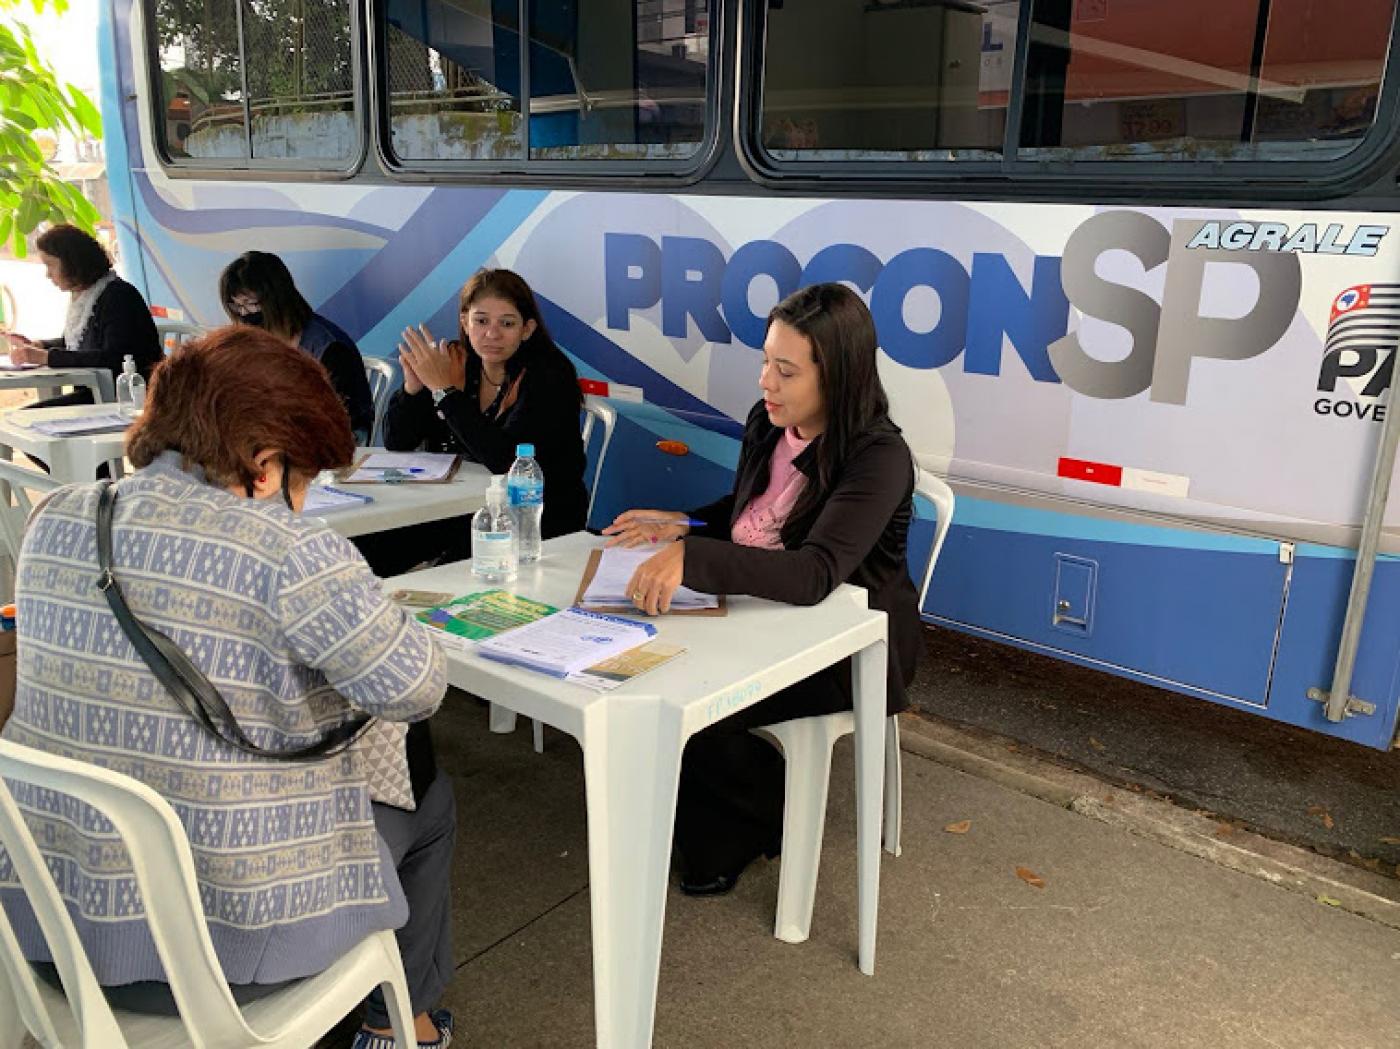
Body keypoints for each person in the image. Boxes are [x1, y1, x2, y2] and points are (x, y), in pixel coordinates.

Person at [0, 328, 456, 1048]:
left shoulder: (54, 517)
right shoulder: (289, 549)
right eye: (307, 480)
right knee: (426, 795)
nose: (303, 502)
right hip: (228, 956)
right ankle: (396, 1023)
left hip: (42, 934)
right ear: (266, 464)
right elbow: (418, 686)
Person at [603, 283, 920, 895]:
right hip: (760, 617)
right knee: (642, 674)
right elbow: (752, 513)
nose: (765, 383)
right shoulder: (769, 422)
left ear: (840, 376)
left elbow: (815, 574)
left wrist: (693, 558)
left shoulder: (878, 458)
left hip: (843, 648)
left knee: (686, 703)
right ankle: (719, 800)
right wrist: (684, 523)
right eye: (765, 362)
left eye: (785, 370)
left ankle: (757, 815)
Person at [362, 268, 588, 575]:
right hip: (457, 510)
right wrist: (415, 388)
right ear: (465, 322)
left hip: (534, 521)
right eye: (481, 321)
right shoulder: (455, 361)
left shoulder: (549, 375)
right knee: (363, 552)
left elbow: (506, 460)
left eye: (506, 324)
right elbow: (397, 441)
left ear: (527, 329)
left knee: (441, 573)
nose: (492, 334)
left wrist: (445, 392)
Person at [220, 251, 376, 440]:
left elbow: (341, 420)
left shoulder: (328, 348)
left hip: (335, 439)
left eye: (251, 304)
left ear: (277, 299)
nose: (244, 314)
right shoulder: (257, 342)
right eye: (237, 307)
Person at [7, 223, 161, 404]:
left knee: (26, 420)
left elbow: (112, 357)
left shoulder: (118, 296)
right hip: (97, 392)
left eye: (50, 265)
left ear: (72, 263)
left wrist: (46, 357)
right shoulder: (86, 296)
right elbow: (76, 344)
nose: (48, 275)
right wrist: (40, 346)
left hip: (128, 397)